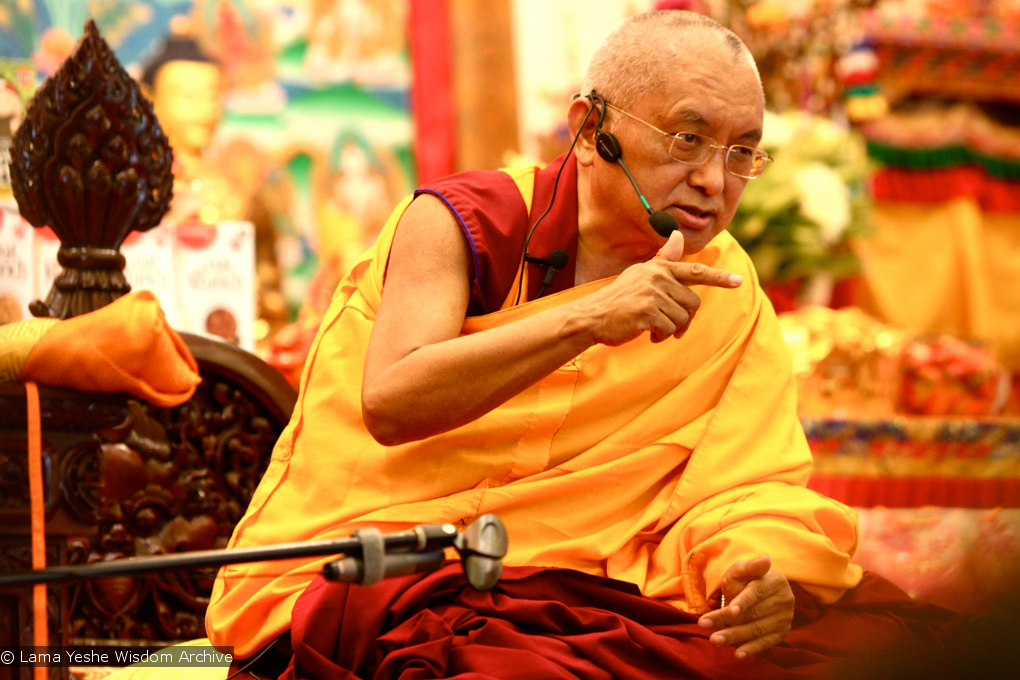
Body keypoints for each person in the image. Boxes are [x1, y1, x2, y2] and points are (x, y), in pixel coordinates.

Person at [206, 10, 954, 679]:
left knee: (898, 652)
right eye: (688, 139)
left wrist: (752, 571)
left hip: (608, 584)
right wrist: (592, 317)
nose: (712, 180)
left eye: (741, 153)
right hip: (410, 566)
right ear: (591, 130)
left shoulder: (725, 288)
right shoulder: (465, 224)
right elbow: (391, 402)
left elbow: (744, 484)